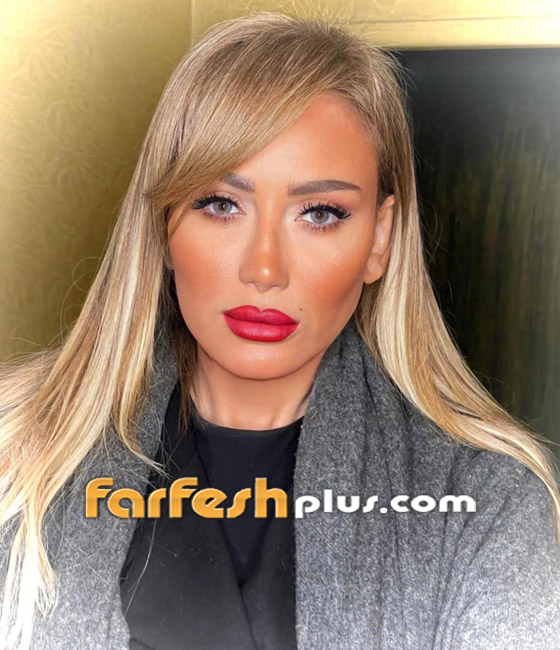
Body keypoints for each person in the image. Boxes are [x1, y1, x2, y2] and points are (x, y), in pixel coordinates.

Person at [0, 11, 559, 650]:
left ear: (379, 239)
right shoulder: (15, 453)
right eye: (221, 204)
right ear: (162, 224)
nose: (264, 269)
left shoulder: (486, 502)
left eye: (319, 213)